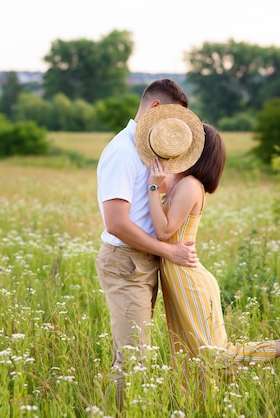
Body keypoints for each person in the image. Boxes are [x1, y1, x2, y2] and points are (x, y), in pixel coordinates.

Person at [136, 119, 280, 400]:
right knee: (191, 360)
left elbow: (165, 230)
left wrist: (154, 188)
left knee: (216, 358)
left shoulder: (191, 185)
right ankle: (201, 406)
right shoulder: (181, 182)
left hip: (188, 281)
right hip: (178, 279)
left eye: (188, 144)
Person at [95, 79, 201, 412]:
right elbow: (116, 222)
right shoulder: (122, 153)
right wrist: (169, 251)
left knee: (134, 353)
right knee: (133, 360)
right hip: (126, 262)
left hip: (141, 260)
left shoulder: (143, 151)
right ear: (155, 108)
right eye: (172, 119)